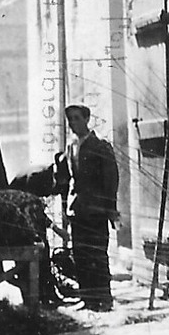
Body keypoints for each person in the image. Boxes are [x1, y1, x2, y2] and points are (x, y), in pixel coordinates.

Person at [55, 104, 120, 312]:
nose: (73, 123)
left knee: (97, 254)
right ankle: (87, 298)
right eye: (70, 120)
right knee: (80, 255)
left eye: (76, 118)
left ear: (86, 119)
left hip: (96, 210)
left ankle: (104, 299)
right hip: (78, 210)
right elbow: (66, 181)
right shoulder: (71, 147)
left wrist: (111, 209)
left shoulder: (100, 146)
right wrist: (66, 210)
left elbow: (111, 181)